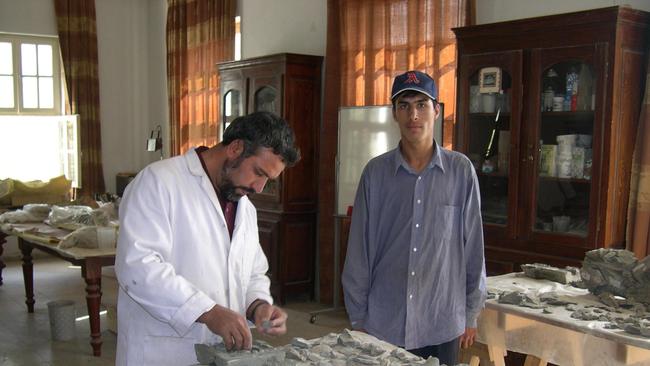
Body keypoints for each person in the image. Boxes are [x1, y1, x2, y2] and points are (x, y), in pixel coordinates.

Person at [115, 111, 300, 365]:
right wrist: (207, 311)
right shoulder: (159, 182)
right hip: (164, 352)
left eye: (268, 180)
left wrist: (258, 306)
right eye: (258, 172)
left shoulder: (244, 207)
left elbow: (252, 271)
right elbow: (138, 267)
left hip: (222, 354)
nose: (259, 187)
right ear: (236, 148)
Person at [342, 70, 487, 365]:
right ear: (394, 114)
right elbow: (359, 251)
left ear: (437, 110)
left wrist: (471, 313)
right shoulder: (375, 174)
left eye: (421, 104)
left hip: (441, 320)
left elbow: (473, 249)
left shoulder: (460, 172)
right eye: (404, 106)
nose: (413, 115)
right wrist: (358, 316)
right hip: (384, 322)